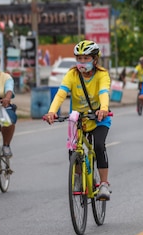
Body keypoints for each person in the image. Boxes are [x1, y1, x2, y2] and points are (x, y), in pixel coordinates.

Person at [42, 40, 112, 201]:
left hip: (99, 117)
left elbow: (103, 92)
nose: (82, 62)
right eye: (79, 58)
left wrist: (103, 108)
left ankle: (103, 184)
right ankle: (79, 178)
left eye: (86, 58)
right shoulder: (72, 74)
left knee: (99, 145)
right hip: (78, 118)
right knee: (73, 149)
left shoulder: (102, 74)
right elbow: (61, 94)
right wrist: (52, 112)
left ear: (95, 59)